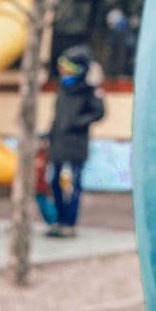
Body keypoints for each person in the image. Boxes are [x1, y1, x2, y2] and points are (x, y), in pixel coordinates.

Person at [46, 45, 105, 238]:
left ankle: (69, 224)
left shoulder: (89, 89)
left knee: (73, 184)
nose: (63, 72)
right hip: (58, 142)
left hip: (76, 144)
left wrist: (76, 123)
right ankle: (59, 220)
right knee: (54, 182)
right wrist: (50, 134)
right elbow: (57, 116)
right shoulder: (63, 87)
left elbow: (99, 112)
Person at [34, 134, 58, 228]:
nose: (42, 144)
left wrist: (48, 185)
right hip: (36, 186)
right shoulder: (36, 155)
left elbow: (49, 173)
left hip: (43, 187)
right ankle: (51, 223)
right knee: (42, 205)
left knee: (46, 205)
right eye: (40, 142)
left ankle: (54, 222)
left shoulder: (48, 157)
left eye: (44, 142)